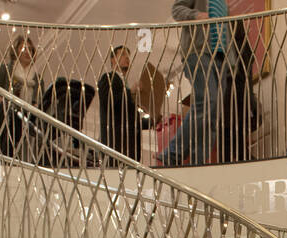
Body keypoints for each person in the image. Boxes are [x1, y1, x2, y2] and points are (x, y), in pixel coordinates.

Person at [157, 0, 238, 167]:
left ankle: (199, 162)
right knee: (208, 102)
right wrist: (197, 15)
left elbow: (226, 32)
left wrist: (231, 61)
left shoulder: (223, 3)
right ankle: (173, 152)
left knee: (213, 113)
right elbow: (177, 9)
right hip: (198, 52)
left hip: (221, 58)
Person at [96, 45, 152, 163]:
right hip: (116, 147)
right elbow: (110, 102)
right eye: (122, 55)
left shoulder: (124, 86)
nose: (127, 58)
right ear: (113, 59)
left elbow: (131, 121)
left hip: (129, 150)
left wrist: (151, 121)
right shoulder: (108, 78)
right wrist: (130, 92)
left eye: (128, 56)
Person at [0, 35, 41, 159]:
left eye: (30, 49)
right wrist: (0, 98)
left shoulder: (37, 78)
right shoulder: (5, 69)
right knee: (4, 145)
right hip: (7, 115)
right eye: (24, 48)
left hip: (27, 117)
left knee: (24, 146)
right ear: (16, 50)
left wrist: (36, 105)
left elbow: (40, 100)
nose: (27, 52)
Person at [219, 20, 258, 162]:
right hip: (238, 93)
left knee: (229, 133)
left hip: (233, 93)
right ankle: (242, 159)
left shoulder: (230, 47)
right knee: (234, 132)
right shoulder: (243, 47)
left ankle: (230, 161)